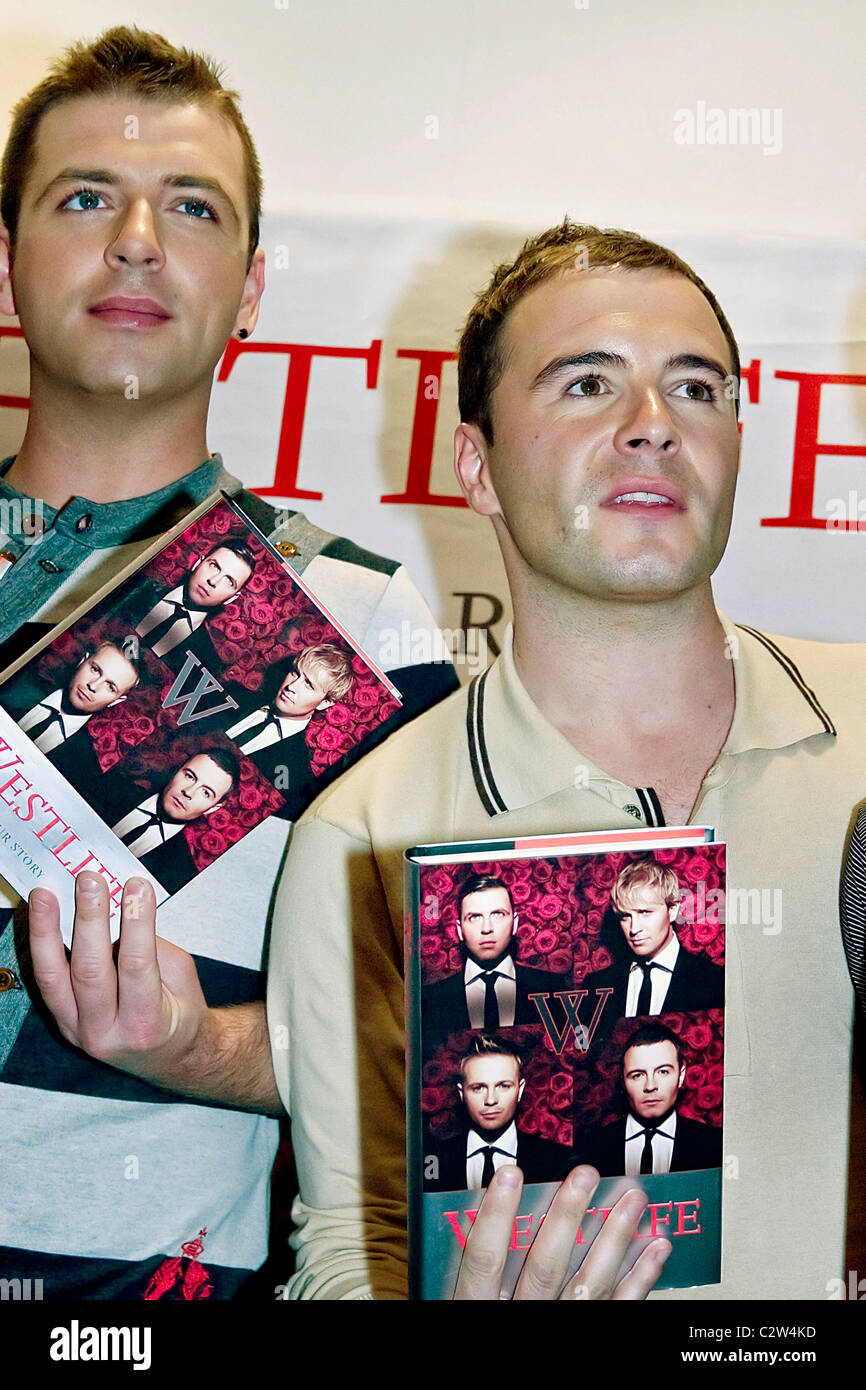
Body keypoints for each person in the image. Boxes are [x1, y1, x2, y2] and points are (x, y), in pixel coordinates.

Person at [29, 219, 865, 1302]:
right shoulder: (366, 827)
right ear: (473, 464)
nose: (651, 426)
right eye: (586, 384)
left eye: (695, 388)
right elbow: (340, 1252)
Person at [0, 25, 457, 1298]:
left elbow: (430, 1044)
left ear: (250, 290)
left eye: (189, 207)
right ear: (7, 266)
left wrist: (197, 1047)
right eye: (85, 197)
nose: (136, 239)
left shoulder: (357, 623)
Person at [582, 856, 724, 1040]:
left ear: (672, 910)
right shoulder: (597, 986)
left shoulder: (714, 982)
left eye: (645, 912)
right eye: (625, 916)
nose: (634, 929)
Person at [422, 874, 564, 1039]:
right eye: (474, 917)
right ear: (460, 930)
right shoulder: (432, 1000)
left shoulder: (551, 988)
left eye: (498, 914)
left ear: (515, 923)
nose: (487, 928)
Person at [424, 1034, 571, 1191]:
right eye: (478, 1088)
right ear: (461, 1093)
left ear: (520, 1090)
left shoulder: (557, 1159)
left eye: (503, 1086)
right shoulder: (435, 1159)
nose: (491, 1099)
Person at [576, 1022, 722, 1178]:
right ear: (623, 1081)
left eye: (663, 1072)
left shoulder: (715, 1145)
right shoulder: (591, 1148)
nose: (650, 1086)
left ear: (681, 1075)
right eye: (637, 1075)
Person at [222, 644, 353, 799]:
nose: (291, 686)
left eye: (309, 685)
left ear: (325, 702)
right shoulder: (232, 694)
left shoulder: (296, 773)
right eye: (295, 673)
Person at [107, 747, 240, 894]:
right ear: (176, 770)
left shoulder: (180, 874)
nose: (188, 792)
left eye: (206, 792)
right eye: (190, 776)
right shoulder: (110, 787)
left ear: (213, 808)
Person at [124, 538, 255, 667]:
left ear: (232, 598)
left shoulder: (205, 657)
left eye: (229, 581)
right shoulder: (138, 587)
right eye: (214, 566)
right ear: (198, 563)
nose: (213, 581)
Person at [0, 633, 141, 753]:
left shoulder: (81, 763)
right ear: (83, 661)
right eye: (95, 670)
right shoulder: (13, 683)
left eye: (110, 687)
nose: (93, 685)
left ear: (116, 701)